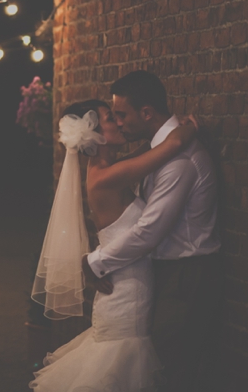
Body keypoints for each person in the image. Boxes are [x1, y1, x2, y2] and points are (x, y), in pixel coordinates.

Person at [29, 96, 199, 391]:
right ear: (95, 134)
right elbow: (172, 145)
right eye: (111, 119)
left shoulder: (109, 169)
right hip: (124, 295)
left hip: (124, 284)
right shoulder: (108, 177)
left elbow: (149, 149)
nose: (119, 123)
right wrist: (189, 127)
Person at [83, 70, 222, 392]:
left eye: (121, 114)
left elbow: (149, 231)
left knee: (167, 367)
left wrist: (96, 261)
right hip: (165, 274)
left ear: (146, 113)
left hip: (186, 275)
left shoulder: (178, 160)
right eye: (113, 117)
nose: (119, 123)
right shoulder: (160, 151)